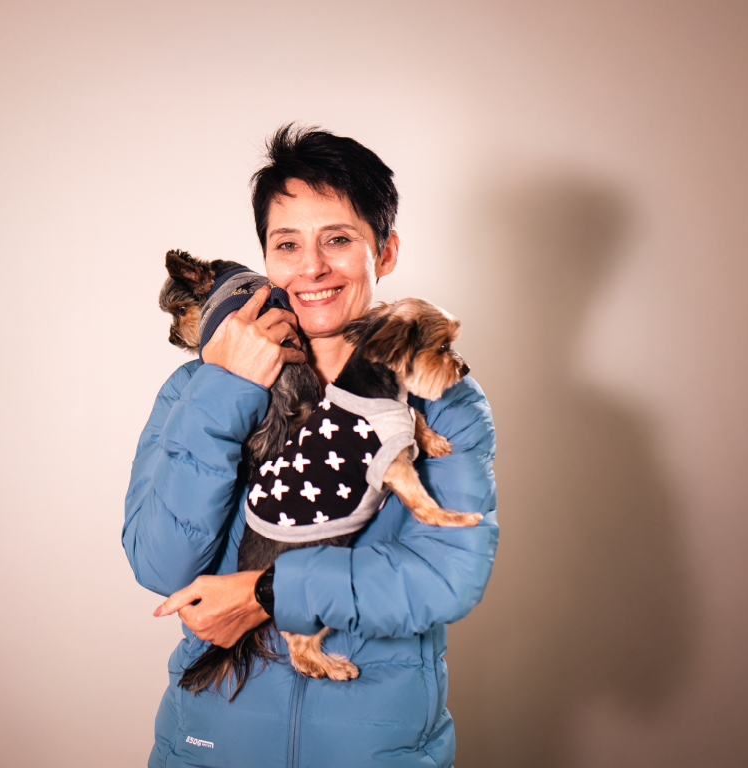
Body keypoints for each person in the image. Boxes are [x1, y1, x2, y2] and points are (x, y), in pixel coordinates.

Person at [123, 125, 499, 768]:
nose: (312, 268)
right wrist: (228, 385)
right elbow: (161, 565)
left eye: (339, 239)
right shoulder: (196, 388)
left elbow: (446, 579)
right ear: (266, 258)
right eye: (287, 244)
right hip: (211, 744)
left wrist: (266, 592)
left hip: (375, 752)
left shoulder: (441, 398)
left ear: (385, 251)